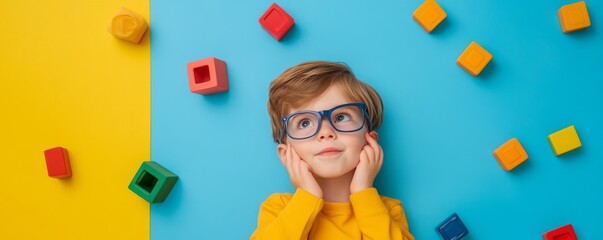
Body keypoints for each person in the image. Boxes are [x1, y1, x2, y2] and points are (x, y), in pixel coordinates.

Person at [250, 61, 414, 239]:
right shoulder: (278, 209)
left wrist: (363, 192)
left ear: (369, 141)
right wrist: (307, 197)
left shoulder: (387, 210)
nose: (326, 132)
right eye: (305, 122)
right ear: (285, 153)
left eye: (341, 117)